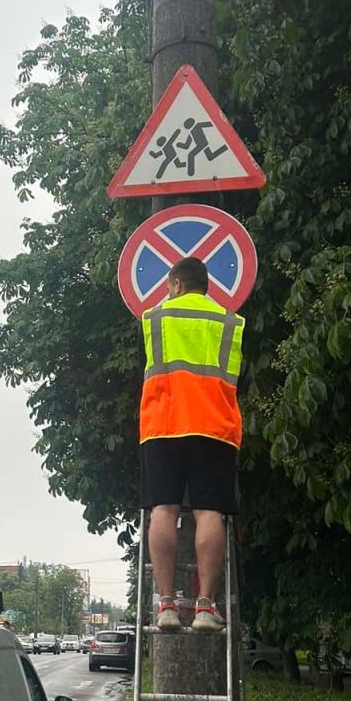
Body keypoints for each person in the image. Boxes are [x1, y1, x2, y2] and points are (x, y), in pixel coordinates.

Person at [139, 256, 244, 633]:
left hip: (162, 426)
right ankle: (204, 608)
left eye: (169, 286)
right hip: (214, 427)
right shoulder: (230, 322)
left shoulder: (155, 318)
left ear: (178, 285)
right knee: (209, 512)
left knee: (163, 511)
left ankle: (166, 606)